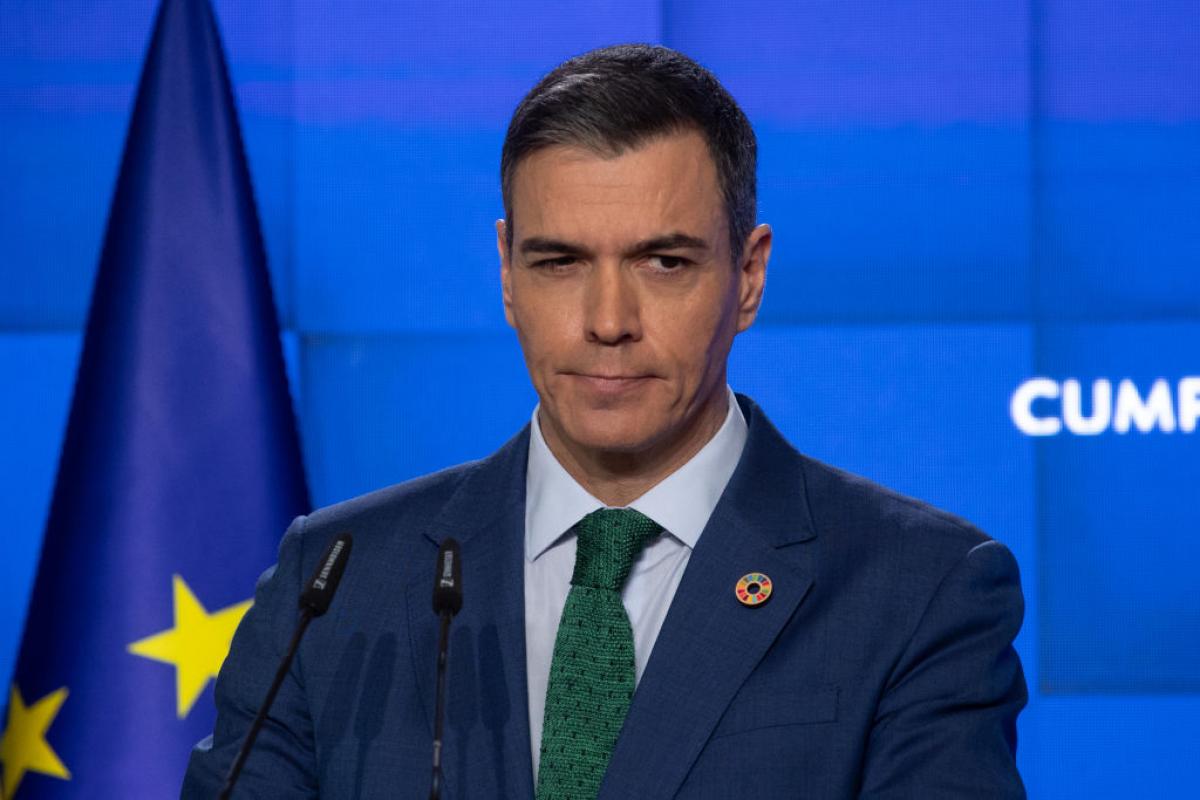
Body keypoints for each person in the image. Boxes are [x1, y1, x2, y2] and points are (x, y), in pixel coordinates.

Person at [182, 44, 1026, 798]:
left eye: (664, 262)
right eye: (560, 262)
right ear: (508, 274)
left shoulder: (918, 590)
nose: (608, 321)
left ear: (748, 277)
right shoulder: (332, 585)